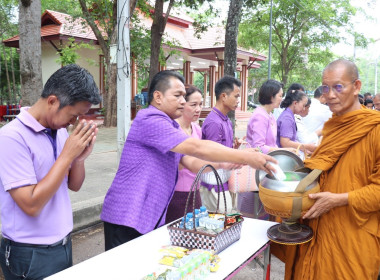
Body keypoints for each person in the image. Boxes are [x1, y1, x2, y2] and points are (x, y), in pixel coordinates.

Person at [100, 70, 276, 251]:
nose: (183, 101)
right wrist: (245, 156)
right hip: (127, 214)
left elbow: (192, 162)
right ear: (158, 97)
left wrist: (225, 163)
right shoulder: (150, 119)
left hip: (147, 215)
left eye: (184, 96)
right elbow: (197, 148)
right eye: (177, 96)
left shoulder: (170, 125)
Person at [274, 59, 380, 279]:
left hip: (352, 235)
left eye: (338, 87)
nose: (330, 95)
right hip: (315, 228)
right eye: (326, 88)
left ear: (357, 86)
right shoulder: (331, 129)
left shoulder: (375, 129)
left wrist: (339, 199)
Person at [0, 64, 101, 279]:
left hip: (62, 242)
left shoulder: (59, 131)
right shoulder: (11, 137)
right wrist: (67, 155)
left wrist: (79, 159)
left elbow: (73, 185)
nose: (74, 123)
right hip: (29, 252)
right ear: (53, 101)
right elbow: (31, 204)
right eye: (73, 115)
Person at [239, 79, 283, 219]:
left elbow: (271, 143)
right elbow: (259, 146)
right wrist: (280, 152)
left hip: (264, 165)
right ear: (271, 97)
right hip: (255, 166)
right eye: (280, 95)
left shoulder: (269, 115)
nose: (282, 99)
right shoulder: (260, 116)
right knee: (252, 210)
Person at [200, 75, 242, 213]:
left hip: (224, 180)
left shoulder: (225, 120)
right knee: (221, 225)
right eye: (236, 96)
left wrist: (234, 149)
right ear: (223, 96)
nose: (238, 101)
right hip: (214, 183)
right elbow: (214, 156)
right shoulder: (214, 122)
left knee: (230, 220)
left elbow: (223, 151)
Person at [165, 85, 203, 224]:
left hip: (195, 191)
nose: (198, 109)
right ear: (182, 104)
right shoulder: (172, 130)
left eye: (200, 104)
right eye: (193, 105)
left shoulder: (197, 129)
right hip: (177, 194)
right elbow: (189, 163)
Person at [276, 90, 317, 154]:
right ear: (295, 103)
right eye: (303, 106)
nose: (304, 109)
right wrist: (307, 146)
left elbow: (292, 140)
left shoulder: (290, 115)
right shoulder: (287, 118)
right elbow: (285, 143)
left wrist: (304, 149)